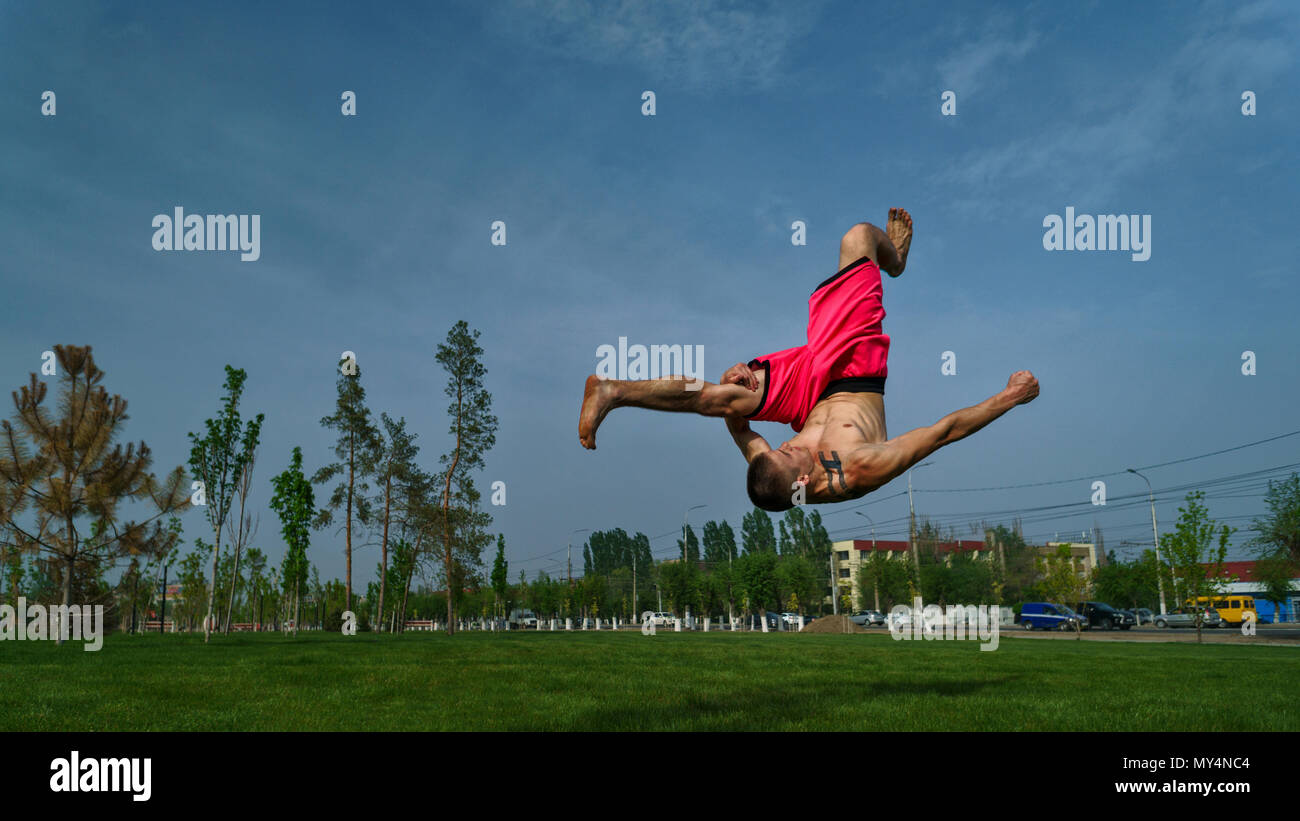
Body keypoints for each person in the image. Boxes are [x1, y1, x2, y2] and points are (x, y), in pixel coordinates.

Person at [578, 208, 1039, 511]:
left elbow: (740, 429)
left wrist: (735, 374)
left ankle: (614, 390)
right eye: (792, 454)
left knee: (725, 399)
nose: (789, 445)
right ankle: (892, 259)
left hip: (805, 390)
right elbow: (943, 433)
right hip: (855, 370)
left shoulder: (771, 466)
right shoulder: (858, 468)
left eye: (780, 447)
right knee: (857, 236)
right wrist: (1010, 397)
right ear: (802, 485)